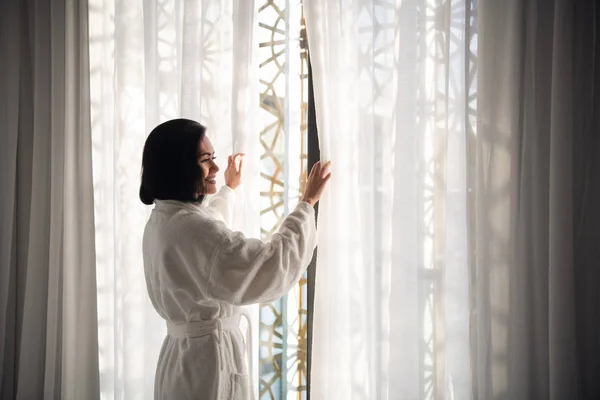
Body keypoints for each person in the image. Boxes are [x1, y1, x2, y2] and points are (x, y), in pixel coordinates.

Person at [139, 119, 331, 400]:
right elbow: (266, 264)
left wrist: (228, 188)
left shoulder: (164, 219)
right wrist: (306, 204)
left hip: (180, 362)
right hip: (207, 369)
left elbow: (210, 250)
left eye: (214, 158)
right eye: (205, 160)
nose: (215, 168)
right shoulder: (190, 229)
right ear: (178, 166)